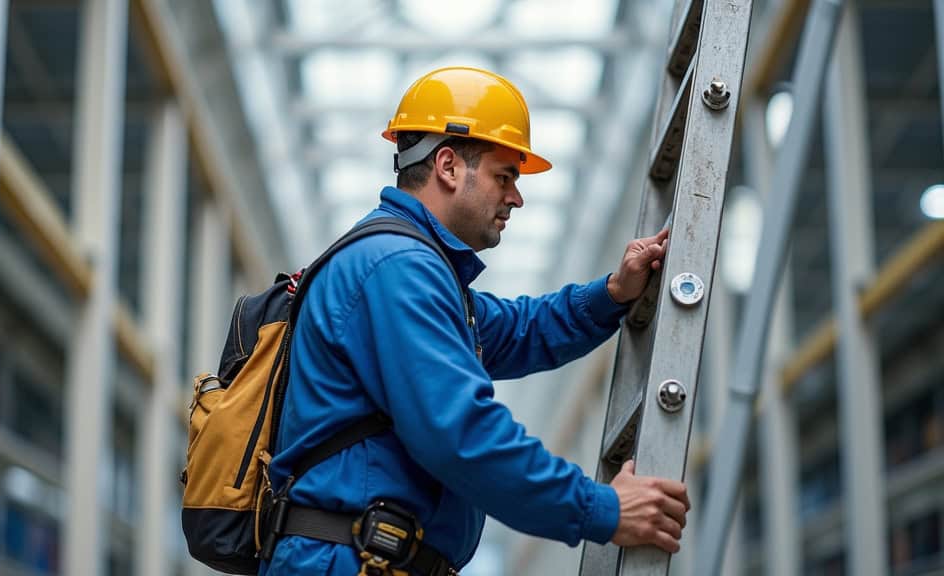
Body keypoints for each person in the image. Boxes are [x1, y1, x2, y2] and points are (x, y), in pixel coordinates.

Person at [261, 66, 689, 576]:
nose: (516, 197)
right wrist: (602, 509)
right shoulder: (399, 269)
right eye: (504, 176)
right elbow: (460, 434)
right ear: (447, 166)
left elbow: (519, 330)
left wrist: (613, 293)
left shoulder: (413, 269)